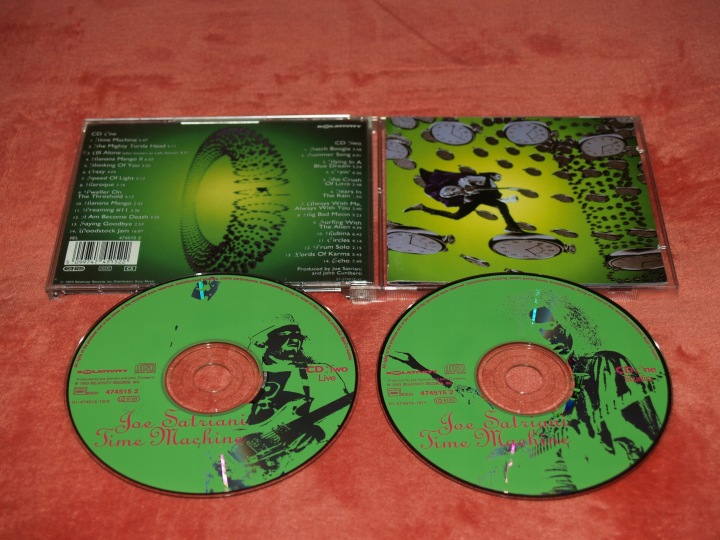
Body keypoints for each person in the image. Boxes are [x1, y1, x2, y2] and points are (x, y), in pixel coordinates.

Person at [404, 168, 523, 233]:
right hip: (473, 199)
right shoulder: (463, 196)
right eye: (451, 194)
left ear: (451, 185)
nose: (452, 192)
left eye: (450, 189)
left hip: (479, 194)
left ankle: (511, 226)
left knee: (501, 205)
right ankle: (422, 208)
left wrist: (468, 186)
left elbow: (469, 180)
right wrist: (467, 195)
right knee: (456, 216)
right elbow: (465, 194)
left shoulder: (469, 180)